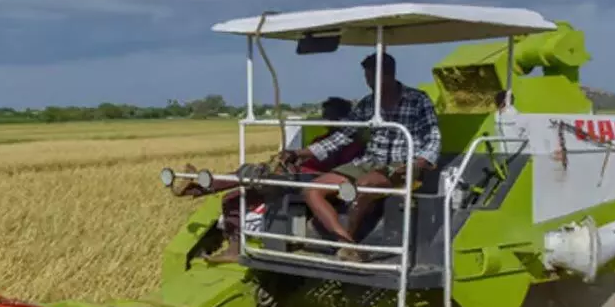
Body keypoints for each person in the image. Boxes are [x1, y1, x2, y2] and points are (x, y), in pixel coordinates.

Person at [282, 52, 441, 262]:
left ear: (388, 74)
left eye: (372, 77)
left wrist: (418, 163)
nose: (369, 83)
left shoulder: (418, 100)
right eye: (367, 78)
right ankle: (346, 244)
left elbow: (433, 136)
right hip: (368, 161)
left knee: (364, 186)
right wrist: (299, 153)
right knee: (312, 191)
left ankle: (349, 244)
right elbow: (343, 135)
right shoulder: (367, 104)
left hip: (401, 165)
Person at [172, 96, 365, 262]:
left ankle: (198, 188)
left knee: (254, 173)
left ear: (344, 118)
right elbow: (304, 156)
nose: (327, 120)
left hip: (312, 181)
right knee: (232, 198)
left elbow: (339, 173)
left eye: (331, 116)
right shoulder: (321, 140)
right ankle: (234, 248)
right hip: (292, 176)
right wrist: (287, 158)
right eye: (326, 116)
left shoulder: (352, 145)